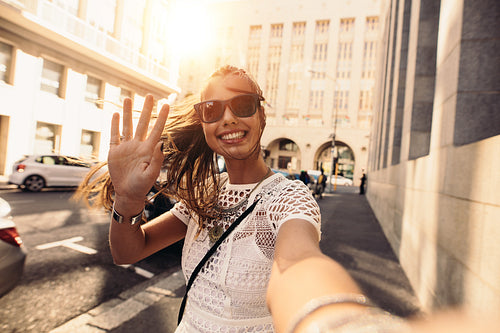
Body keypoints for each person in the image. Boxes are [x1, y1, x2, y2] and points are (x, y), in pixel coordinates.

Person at [75, 65, 499, 333]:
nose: (227, 117)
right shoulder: (204, 194)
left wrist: (337, 321)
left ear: (261, 115)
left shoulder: (288, 198)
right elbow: (129, 252)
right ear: (203, 124)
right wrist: (129, 202)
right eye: (211, 109)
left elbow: (298, 262)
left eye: (242, 104)